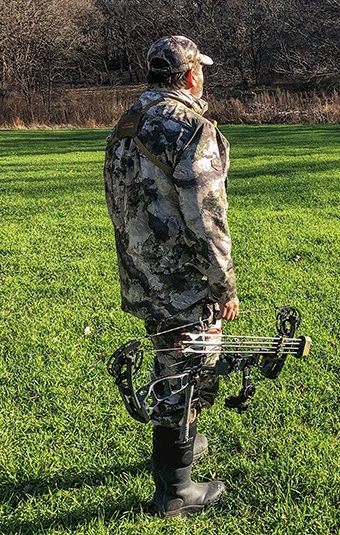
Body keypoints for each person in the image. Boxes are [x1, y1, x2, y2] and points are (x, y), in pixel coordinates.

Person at [104, 35, 238, 518]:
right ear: (189, 77)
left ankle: (183, 444)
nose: (202, 75)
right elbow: (208, 218)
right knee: (185, 368)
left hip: (141, 271)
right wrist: (223, 283)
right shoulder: (189, 129)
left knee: (174, 360)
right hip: (183, 278)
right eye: (200, 69)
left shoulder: (128, 121)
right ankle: (175, 491)